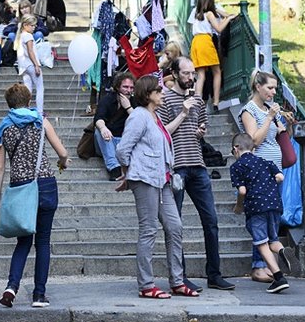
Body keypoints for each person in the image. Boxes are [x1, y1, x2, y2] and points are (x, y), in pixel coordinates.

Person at [157, 58, 234, 292]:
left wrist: (201, 131)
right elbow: (162, 133)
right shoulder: (164, 99)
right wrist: (183, 112)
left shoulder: (198, 100)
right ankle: (181, 278)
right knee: (176, 224)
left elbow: (202, 126)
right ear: (174, 73)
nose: (191, 77)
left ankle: (214, 274)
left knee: (211, 220)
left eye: (193, 73)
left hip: (198, 165)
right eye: (186, 73)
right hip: (176, 167)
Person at [114, 75, 193, 300]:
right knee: (148, 230)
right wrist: (129, 172)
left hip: (162, 181)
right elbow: (122, 149)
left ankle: (177, 280)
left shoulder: (154, 116)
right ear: (148, 94)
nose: (163, 94)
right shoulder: (139, 116)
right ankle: (146, 284)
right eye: (159, 91)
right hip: (146, 180)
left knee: (175, 226)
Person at [0, 84, 69, 308]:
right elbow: (62, 152)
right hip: (44, 183)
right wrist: (63, 162)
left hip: (20, 187)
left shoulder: (4, 128)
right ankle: (39, 295)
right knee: (43, 241)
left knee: (23, 241)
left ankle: (11, 287)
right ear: (29, 101)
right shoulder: (40, 122)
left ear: (9, 104)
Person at [239, 70, 291, 282]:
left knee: (272, 218)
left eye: (275, 88)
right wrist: (269, 118)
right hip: (258, 174)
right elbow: (254, 141)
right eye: (269, 88)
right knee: (259, 219)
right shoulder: (249, 110)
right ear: (258, 87)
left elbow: (276, 134)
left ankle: (271, 265)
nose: (273, 92)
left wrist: (281, 122)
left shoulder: (270, 108)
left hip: (274, 171)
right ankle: (258, 266)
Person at [230, 133, 293, 293]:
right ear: (253, 148)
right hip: (275, 204)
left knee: (261, 243)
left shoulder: (237, 167)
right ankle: (282, 250)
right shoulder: (266, 162)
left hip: (256, 207)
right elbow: (280, 177)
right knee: (273, 239)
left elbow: (242, 191)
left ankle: (278, 277)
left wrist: (239, 207)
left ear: (236, 149)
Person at [189, 0, 236, 110]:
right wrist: (228, 18)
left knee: (201, 74)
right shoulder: (209, 13)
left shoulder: (196, 13)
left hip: (195, 42)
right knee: (216, 71)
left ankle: (197, 102)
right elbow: (219, 29)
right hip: (205, 41)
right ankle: (215, 102)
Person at [93, 72, 136, 181]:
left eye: (131, 87)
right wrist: (103, 128)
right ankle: (114, 168)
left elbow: (140, 122)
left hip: (124, 142)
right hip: (108, 140)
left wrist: (128, 107)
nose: (128, 90)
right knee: (100, 131)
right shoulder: (107, 100)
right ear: (117, 87)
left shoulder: (135, 102)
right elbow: (98, 119)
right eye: (125, 87)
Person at [16, 15, 44, 113]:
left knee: (28, 89)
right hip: (31, 64)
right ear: (25, 25)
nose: (34, 27)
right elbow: (30, 51)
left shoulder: (20, 36)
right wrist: (36, 64)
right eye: (32, 25)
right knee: (40, 87)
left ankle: (25, 109)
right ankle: (40, 111)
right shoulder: (28, 36)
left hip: (23, 66)